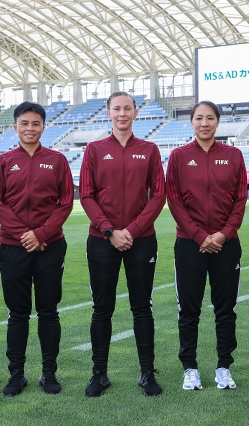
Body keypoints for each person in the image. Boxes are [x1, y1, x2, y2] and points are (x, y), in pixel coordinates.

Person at [79, 91, 166, 397]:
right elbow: (86, 195)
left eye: (127, 108)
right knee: (102, 309)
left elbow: (158, 195)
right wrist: (109, 230)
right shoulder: (94, 149)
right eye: (117, 108)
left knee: (142, 308)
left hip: (141, 240)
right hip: (102, 240)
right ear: (108, 113)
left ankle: (147, 373)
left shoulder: (150, 149)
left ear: (135, 113)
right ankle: (99, 374)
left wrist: (131, 229)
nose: (122, 113)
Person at [0, 102, 74, 396]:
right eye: (24, 123)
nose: (30, 128)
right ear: (15, 127)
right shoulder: (2, 161)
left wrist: (40, 234)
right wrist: (24, 234)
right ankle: (16, 374)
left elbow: (65, 203)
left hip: (50, 246)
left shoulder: (58, 160)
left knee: (48, 311)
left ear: (43, 127)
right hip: (13, 247)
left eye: (36, 123)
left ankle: (48, 372)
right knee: (18, 313)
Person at [166, 101, 247, 391]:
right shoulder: (178, 156)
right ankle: (190, 368)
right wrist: (200, 236)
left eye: (210, 118)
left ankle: (224, 366)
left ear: (217, 122)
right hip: (190, 244)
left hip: (227, 244)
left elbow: (240, 200)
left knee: (225, 310)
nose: (204, 123)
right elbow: (174, 200)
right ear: (192, 122)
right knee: (189, 310)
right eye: (199, 118)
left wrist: (224, 234)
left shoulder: (233, 155)